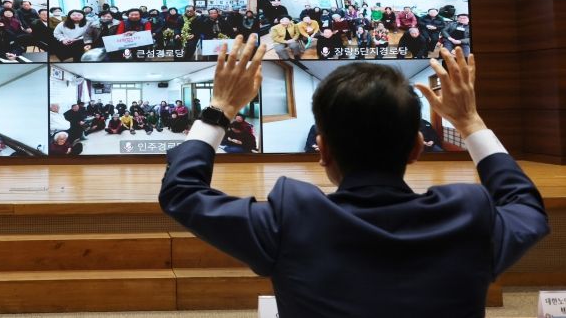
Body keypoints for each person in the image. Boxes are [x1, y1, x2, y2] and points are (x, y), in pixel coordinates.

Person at [159, 37, 549, 318]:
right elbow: (527, 208)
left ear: (323, 150)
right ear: (417, 147)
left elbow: (182, 193)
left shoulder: (290, 219)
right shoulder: (469, 216)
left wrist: (220, 107)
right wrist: (471, 122)